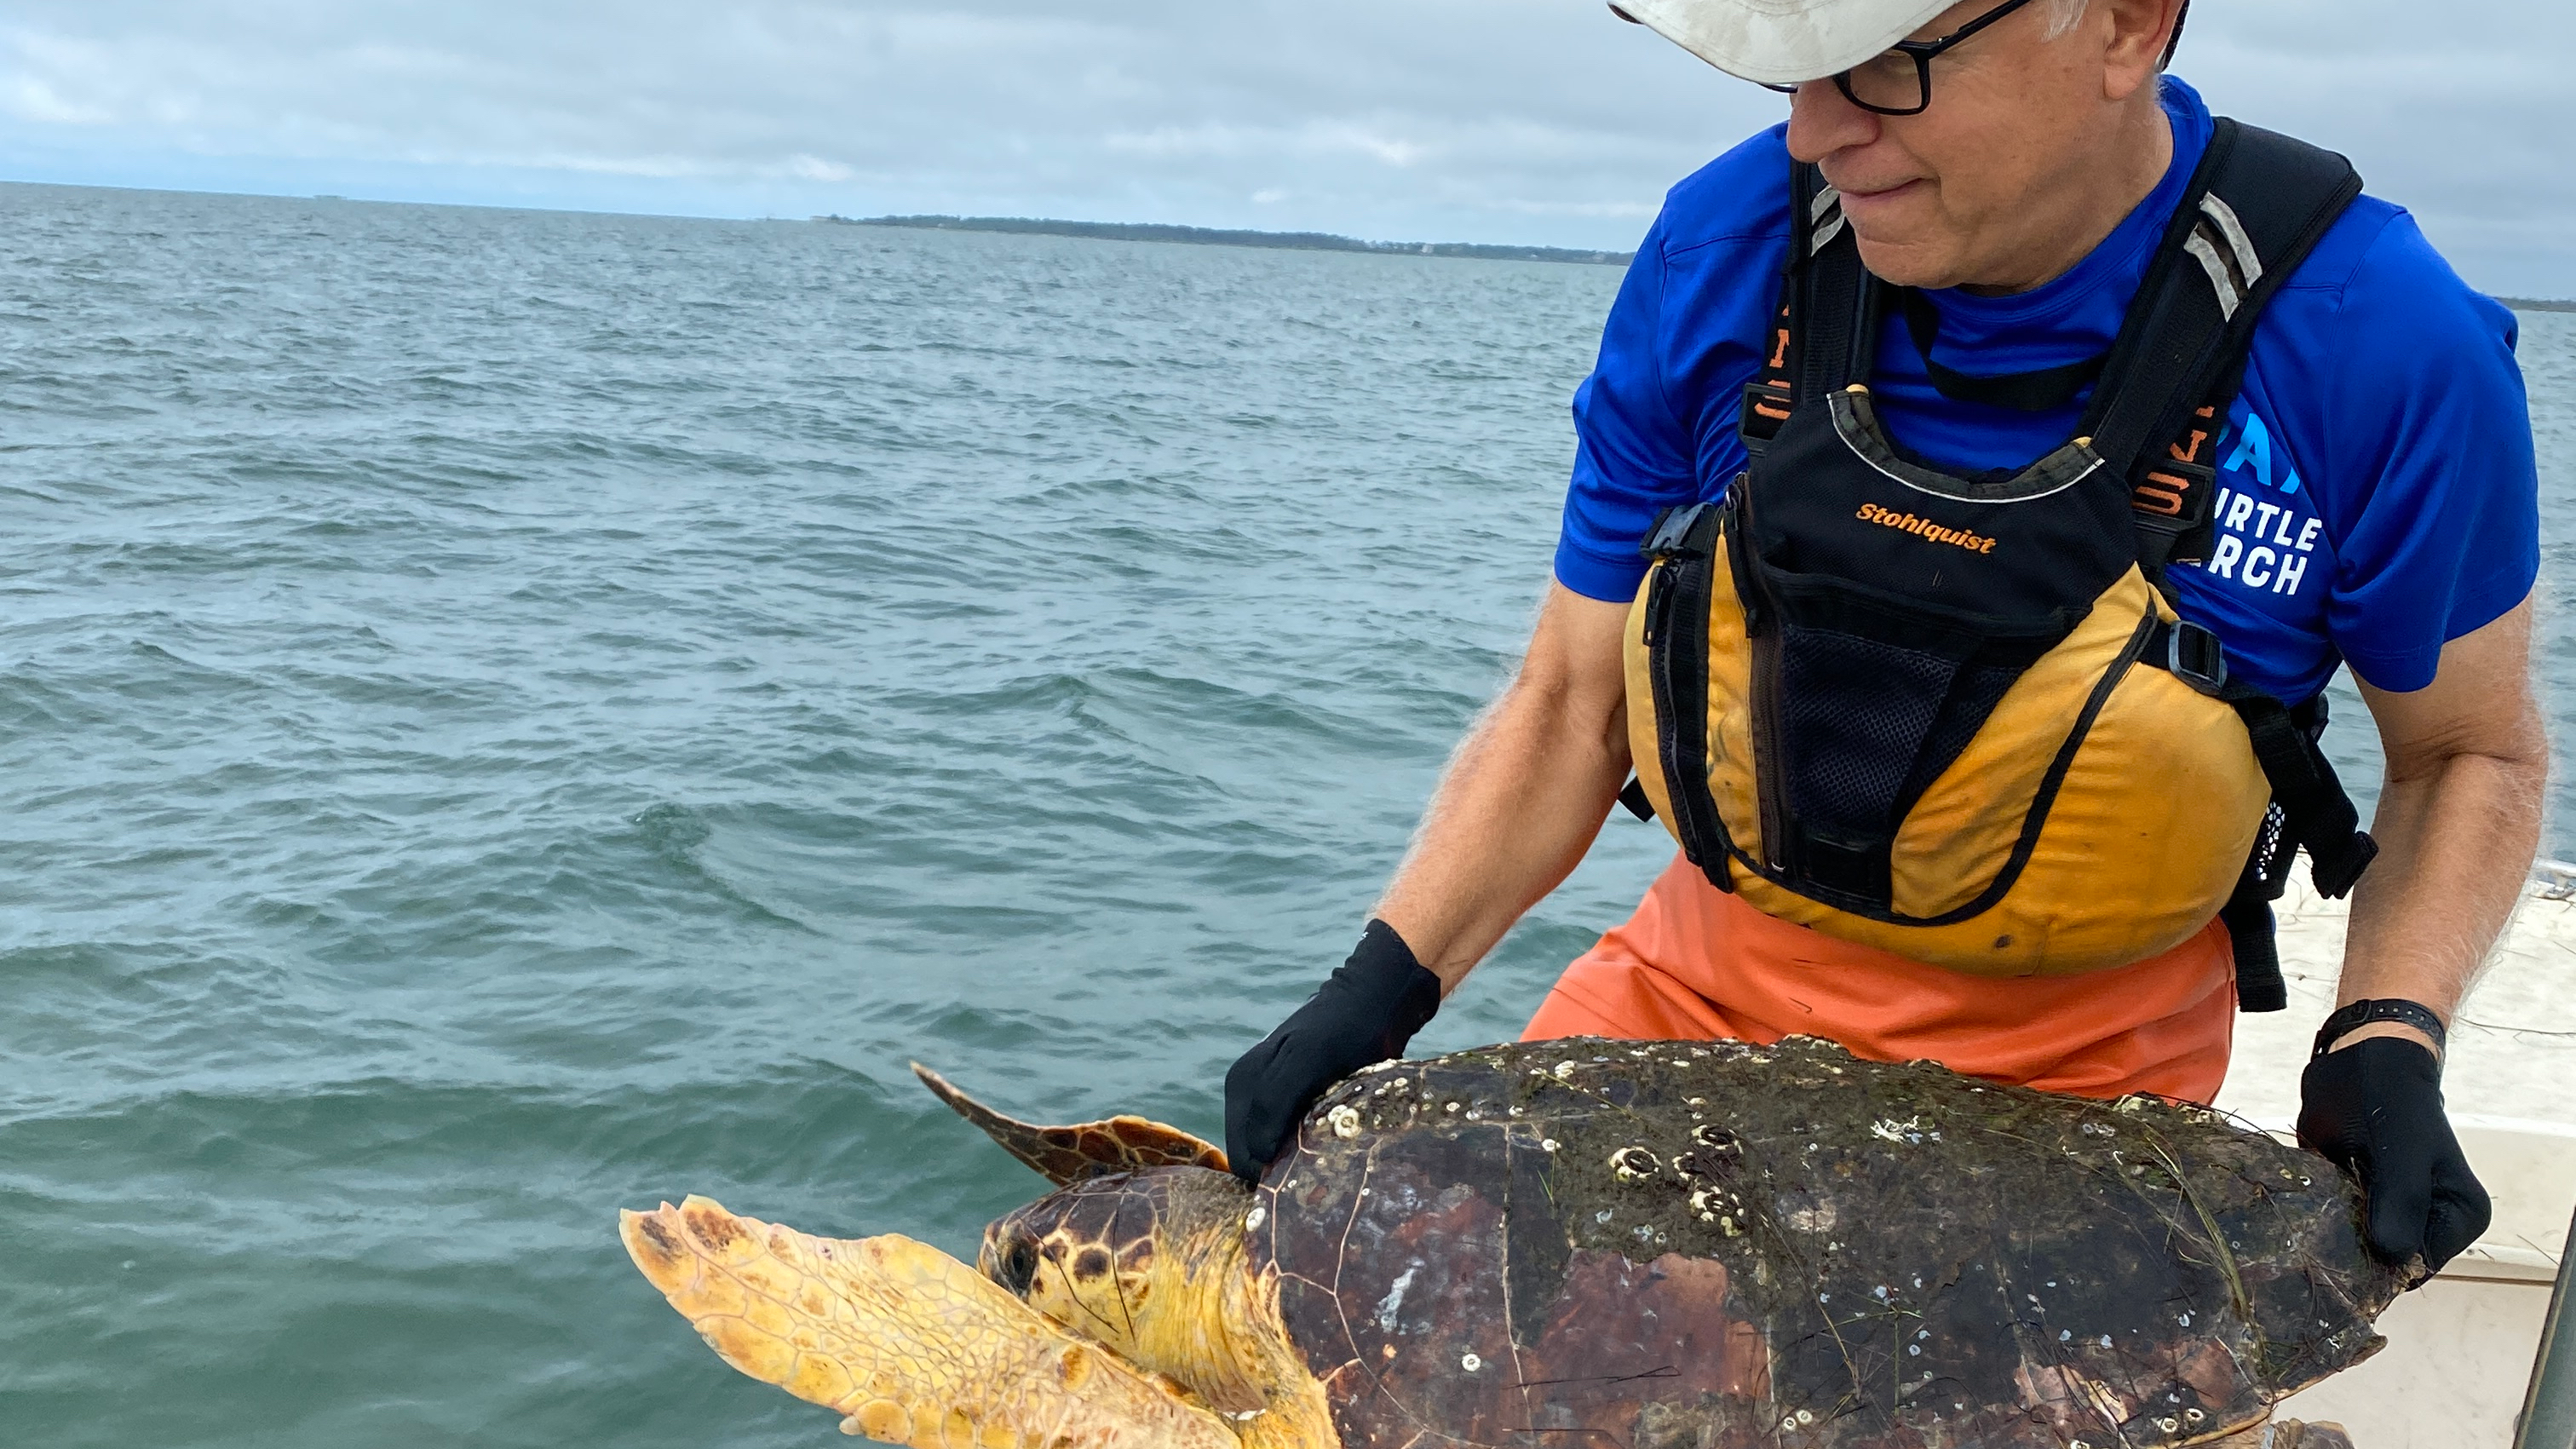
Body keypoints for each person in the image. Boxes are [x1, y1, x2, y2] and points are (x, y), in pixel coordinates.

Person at [1225, 0, 2543, 1279]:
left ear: (2129, 25)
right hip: (1683, 1018)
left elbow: (2468, 757)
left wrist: (2385, 1033)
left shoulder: (2381, 344)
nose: (1813, 130)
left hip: (2079, 1106)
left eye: (1886, 64)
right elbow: (1575, 700)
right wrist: (1381, 988)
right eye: (1791, 67)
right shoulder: (1726, 249)